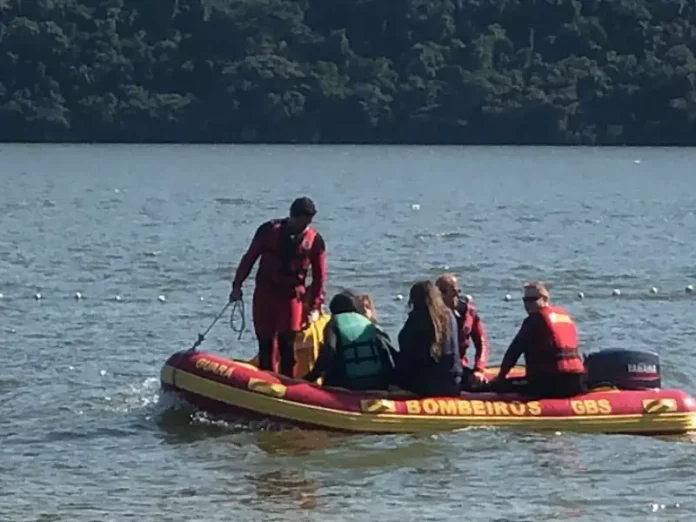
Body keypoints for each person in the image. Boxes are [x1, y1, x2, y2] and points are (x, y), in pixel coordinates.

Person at [229, 197, 327, 377]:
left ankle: (287, 385)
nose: (305, 226)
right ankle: (267, 380)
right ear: (292, 216)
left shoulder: (315, 241)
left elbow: (320, 277)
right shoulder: (268, 231)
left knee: (287, 344)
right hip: (265, 294)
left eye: (308, 222)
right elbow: (249, 258)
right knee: (265, 342)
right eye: (302, 221)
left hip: (291, 297)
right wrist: (237, 285)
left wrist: (315, 305)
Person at [491, 281, 586, 398]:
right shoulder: (564, 316)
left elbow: (514, 351)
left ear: (545, 299)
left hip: (550, 382)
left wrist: (501, 376)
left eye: (533, 299)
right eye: (525, 300)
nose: (528, 304)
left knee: (498, 386)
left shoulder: (534, 320)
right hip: (577, 380)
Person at [302, 290, 396, 390]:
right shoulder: (368, 323)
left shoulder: (333, 324)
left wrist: (310, 378)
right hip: (378, 382)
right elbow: (386, 350)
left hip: (348, 384)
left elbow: (329, 351)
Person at [397, 281, 463, 397]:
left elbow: (405, 347)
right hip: (453, 383)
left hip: (427, 385)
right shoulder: (450, 316)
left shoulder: (417, 319)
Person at [435, 274, 491, 388]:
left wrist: (479, 369)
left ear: (455, 292)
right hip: (436, 369)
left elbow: (482, 343)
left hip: (459, 367)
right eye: (436, 293)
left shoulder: (468, 313)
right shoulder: (431, 313)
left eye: (443, 292)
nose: (439, 297)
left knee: (483, 384)